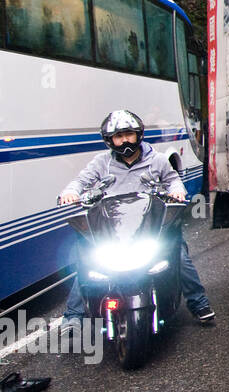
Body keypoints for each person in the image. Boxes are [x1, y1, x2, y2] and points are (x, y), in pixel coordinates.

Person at [58, 110, 214, 327]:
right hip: (113, 227)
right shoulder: (101, 163)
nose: (124, 140)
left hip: (149, 225)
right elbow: (80, 182)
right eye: (118, 136)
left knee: (178, 253)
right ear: (110, 140)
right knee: (88, 261)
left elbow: (173, 180)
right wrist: (70, 193)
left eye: (128, 134)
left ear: (138, 134)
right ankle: (73, 317)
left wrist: (177, 192)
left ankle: (199, 304)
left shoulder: (157, 160)